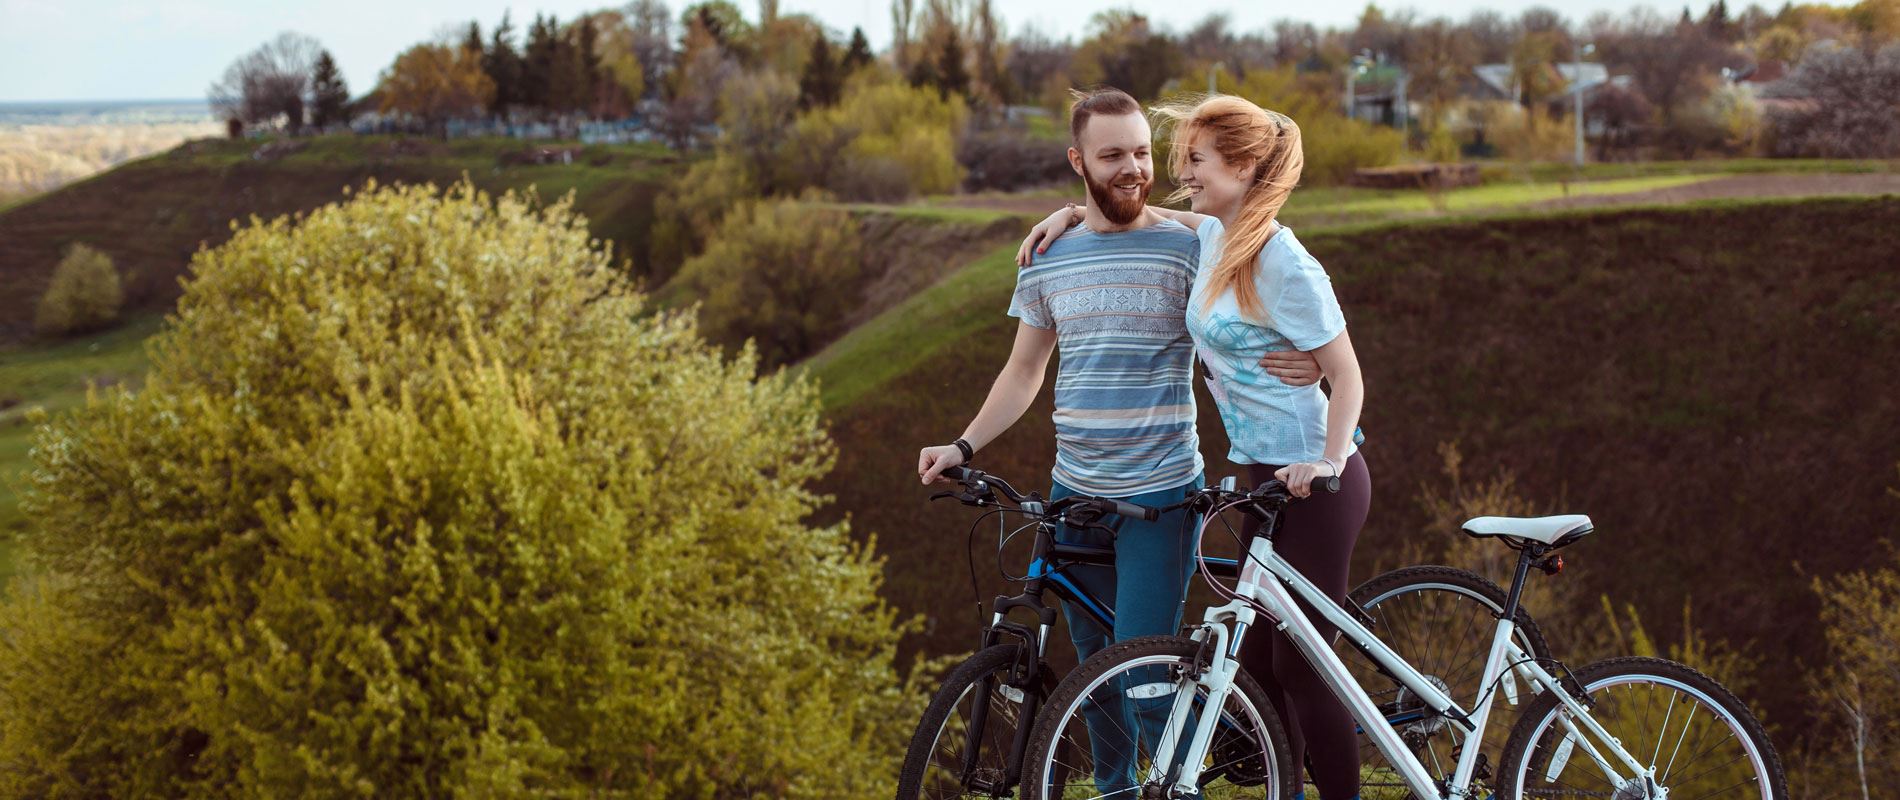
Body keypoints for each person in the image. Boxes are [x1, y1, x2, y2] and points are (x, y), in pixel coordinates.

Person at [917, 86, 1318, 793]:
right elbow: (1023, 369)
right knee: (1092, 675)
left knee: (1143, 678)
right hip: (1075, 493)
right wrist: (964, 445)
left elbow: (1277, 277)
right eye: (1113, 156)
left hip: (1160, 495)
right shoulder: (1048, 256)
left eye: (1141, 152)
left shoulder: (1189, 244)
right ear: (1078, 159)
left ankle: (1193, 775)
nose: (1134, 167)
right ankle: (1116, 792)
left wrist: (1319, 359)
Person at [1017, 93, 1370, 800]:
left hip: (1314, 479)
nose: (1182, 176)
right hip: (1259, 472)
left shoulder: (1283, 260)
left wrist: (1327, 461)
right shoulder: (1215, 235)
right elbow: (1158, 217)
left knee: (1303, 667)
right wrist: (1067, 214)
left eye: (1196, 161)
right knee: (1263, 671)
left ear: (1240, 166)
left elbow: (1349, 376)